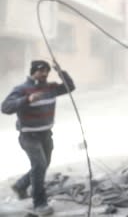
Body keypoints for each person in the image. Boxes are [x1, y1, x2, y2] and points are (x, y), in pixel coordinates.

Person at [1, 60, 75, 216]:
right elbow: (5, 107)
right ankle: (39, 204)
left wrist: (60, 71)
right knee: (40, 165)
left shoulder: (51, 88)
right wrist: (27, 100)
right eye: (41, 70)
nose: (44, 73)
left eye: (47, 70)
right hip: (29, 136)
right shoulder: (22, 89)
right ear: (33, 71)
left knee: (43, 164)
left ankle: (20, 186)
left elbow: (70, 87)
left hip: (46, 134)